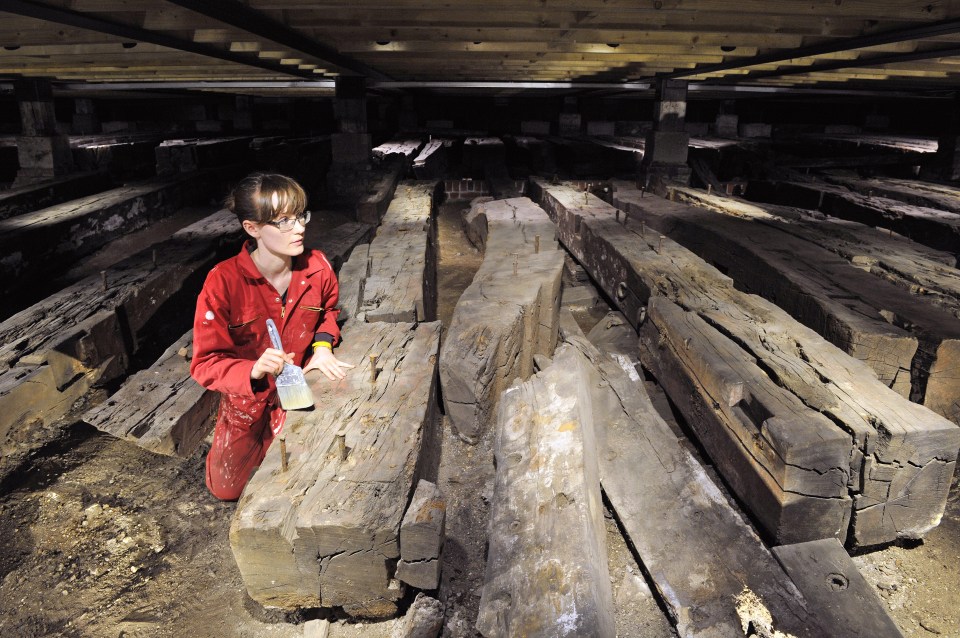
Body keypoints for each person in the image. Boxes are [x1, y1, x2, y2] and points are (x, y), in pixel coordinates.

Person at [190, 173, 355, 501]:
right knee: (226, 489)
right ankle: (239, 435)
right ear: (252, 228)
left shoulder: (317, 267)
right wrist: (251, 370)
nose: (299, 228)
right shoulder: (223, 282)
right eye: (283, 222)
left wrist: (322, 348)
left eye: (300, 216)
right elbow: (205, 363)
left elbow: (328, 312)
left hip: (300, 387)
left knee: (314, 476)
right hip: (247, 401)